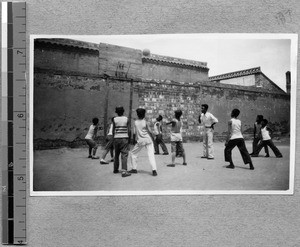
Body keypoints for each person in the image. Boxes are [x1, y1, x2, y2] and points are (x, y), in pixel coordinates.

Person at [128, 108, 158, 176]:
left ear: (137, 115)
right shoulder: (145, 122)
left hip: (140, 141)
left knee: (133, 153)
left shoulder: (135, 122)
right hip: (148, 140)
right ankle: (154, 170)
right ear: (144, 114)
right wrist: (153, 137)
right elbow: (150, 131)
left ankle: (134, 168)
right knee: (151, 155)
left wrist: (133, 141)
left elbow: (134, 133)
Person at [112, 106, 131, 177]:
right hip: (124, 138)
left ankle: (115, 169)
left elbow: (113, 130)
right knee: (124, 155)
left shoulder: (114, 119)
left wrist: (114, 138)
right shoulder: (126, 119)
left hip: (116, 138)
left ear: (116, 112)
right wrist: (129, 139)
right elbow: (129, 130)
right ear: (123, 111)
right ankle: (124, 171)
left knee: (116, 155)